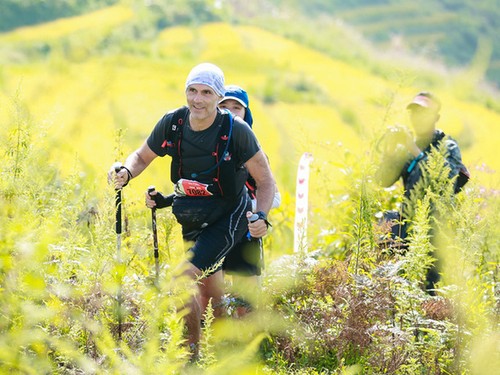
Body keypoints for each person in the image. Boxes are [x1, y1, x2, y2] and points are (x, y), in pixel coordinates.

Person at [109, 62, 276, 360]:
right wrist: (126, 171)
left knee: (182, 280)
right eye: (192, 90)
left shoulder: (237, 131)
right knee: (210, 296)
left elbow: (265, 181)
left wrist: (260, 216)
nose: (197, 99)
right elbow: (142, 156)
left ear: (218, 96)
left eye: (206, 92)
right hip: (194, 217)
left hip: (229, 215)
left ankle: (190, 357)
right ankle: (224, 354)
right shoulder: (172, 123)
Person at [376, 91, 470, 294]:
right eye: (414, 113)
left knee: (429, 294)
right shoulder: (407, 147)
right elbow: (382, 180)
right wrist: (390, 151)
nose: (417, 118)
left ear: (435, 118)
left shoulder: (447, 146)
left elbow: (444, 178)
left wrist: (412, 147)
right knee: (396, 286)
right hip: (408, 224)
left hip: (435, 229)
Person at [218, 85, 281, 317]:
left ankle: (249, 348)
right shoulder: (205, 148)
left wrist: (252, 211)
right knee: (215, 301)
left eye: (237, 108)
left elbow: (273, 194)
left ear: (246, 114)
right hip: (214, 231)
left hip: (246, 233)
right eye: (223, 106)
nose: (231, 112)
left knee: (247, 303)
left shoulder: (255, 152)